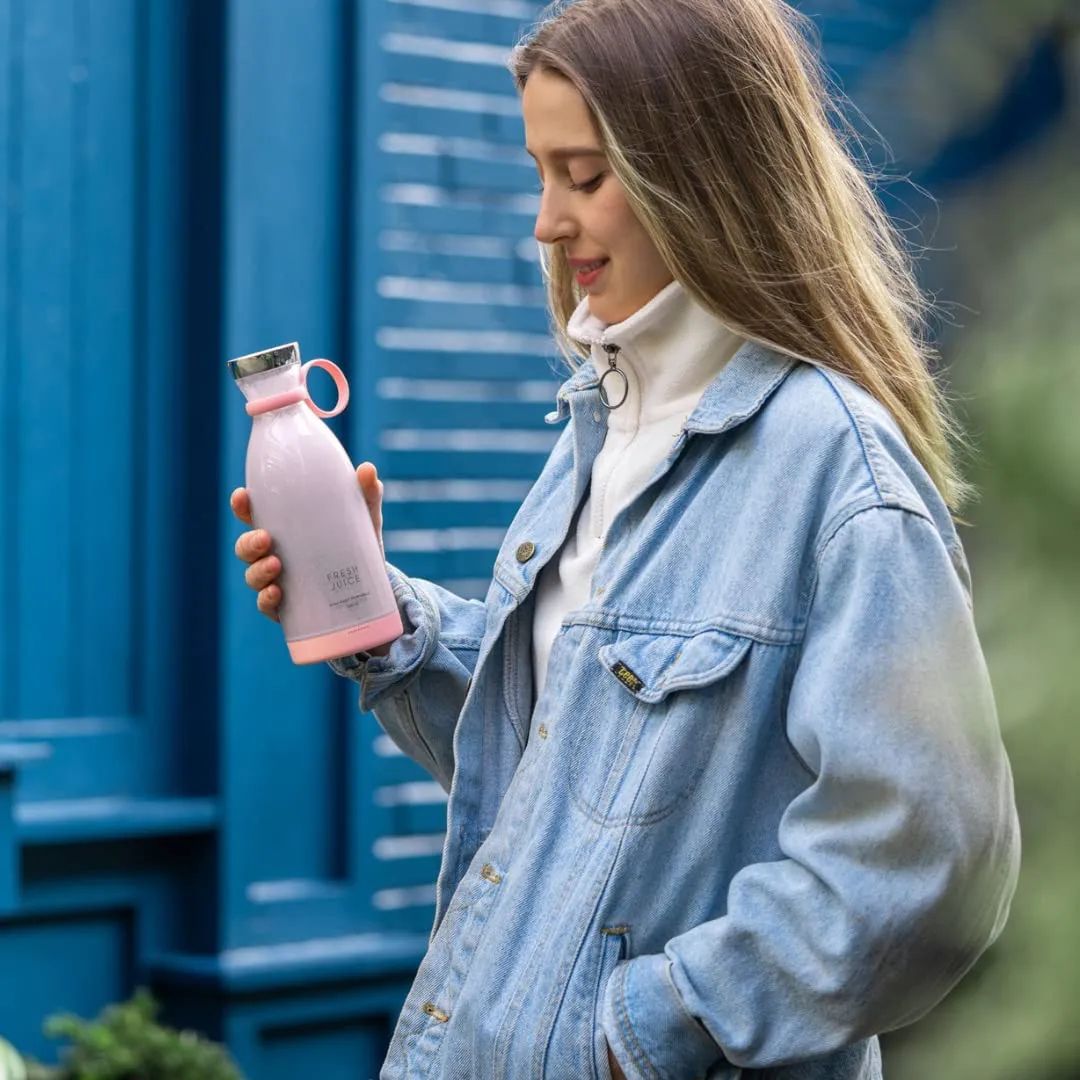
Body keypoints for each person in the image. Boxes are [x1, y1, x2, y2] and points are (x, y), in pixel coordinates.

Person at [231, 1, 1020, 1076]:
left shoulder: (838, 474)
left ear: (702, 173)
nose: (548, 222)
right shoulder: (603, 427)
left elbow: (933, 861)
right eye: (540, 174)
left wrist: (647, 1030)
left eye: (585, 175)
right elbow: (564, 764)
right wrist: (383, 623)